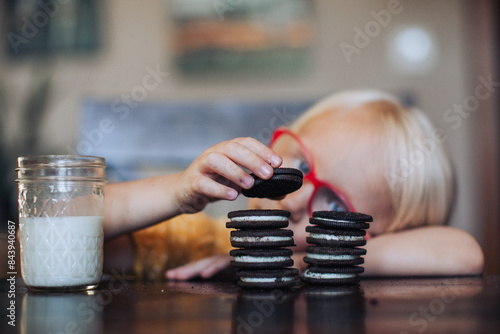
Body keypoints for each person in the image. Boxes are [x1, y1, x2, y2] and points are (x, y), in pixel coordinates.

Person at [160, 90, 484, 279]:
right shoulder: (205, 241)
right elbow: (109, 241)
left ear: (377, 239)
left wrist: (306, 263)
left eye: (334, 205)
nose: (295, 201)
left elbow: (464, 253)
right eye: (301, 165)